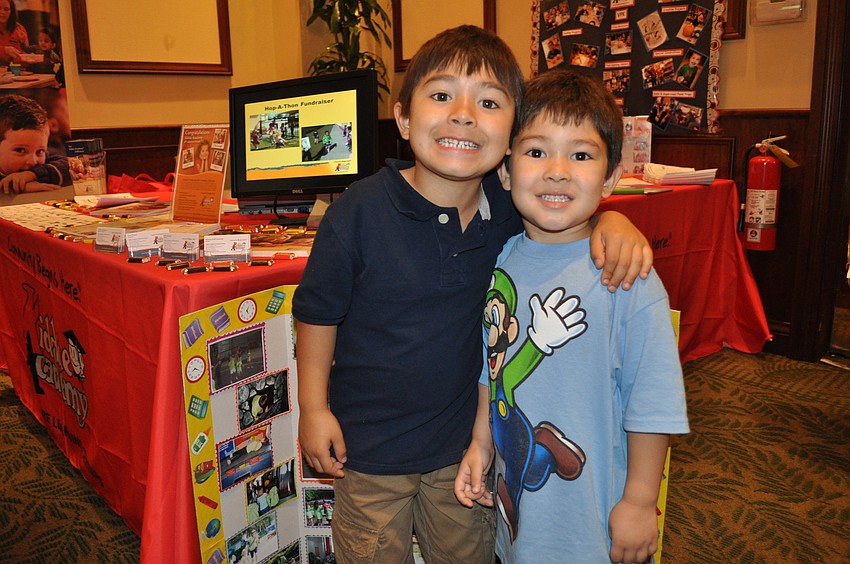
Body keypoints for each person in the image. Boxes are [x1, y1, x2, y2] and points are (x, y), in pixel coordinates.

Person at [292, 26, 652, 564]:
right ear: (404, 118)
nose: (463, 114)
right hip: (368, 448)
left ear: (511, 135)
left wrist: (615, 218)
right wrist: (312, 407)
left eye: (488, 102)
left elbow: (571, 216)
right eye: (441, 95)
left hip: (465, 450)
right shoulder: (358, 211)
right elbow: (317, 314)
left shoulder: (511, 212)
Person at [454, 69, 689, 564]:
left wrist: (641, 500)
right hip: (518, 510)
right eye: (536, 152)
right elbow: (491, 367)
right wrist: (480, 444)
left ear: (609, 177)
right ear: (505, 170)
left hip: (592, 521)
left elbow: (654, 399)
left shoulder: (626, 275)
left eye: (580, 155)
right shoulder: (503, 262)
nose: (557, 170)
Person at [0, 94, 71, 195]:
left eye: (40, 151)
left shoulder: (37, 165)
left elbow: (69, 166)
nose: (32, 161)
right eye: (20, 150)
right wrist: (16, 187)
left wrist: (32, 174)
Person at [0, 0, 27, 66]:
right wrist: (5, 50)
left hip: (15, 72)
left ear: (11, 12)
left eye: (6, 9)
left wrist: (30, 57)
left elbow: (24, 55)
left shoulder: (19, 29)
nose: (2, 12)